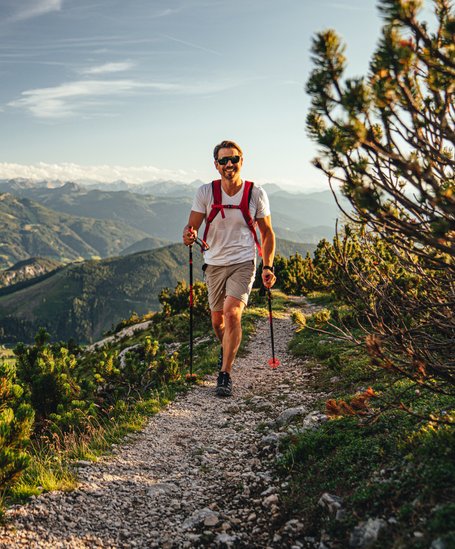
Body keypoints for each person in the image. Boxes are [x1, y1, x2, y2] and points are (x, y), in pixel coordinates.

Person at [183, 140, 276, 397]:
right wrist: (189, 235)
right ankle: (226, 347)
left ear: (241, 161)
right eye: (223, 161)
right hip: (213, 262)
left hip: (243, 261)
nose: (229, 165)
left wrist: (267, 265)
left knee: (232, 313)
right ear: (216, 165)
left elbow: (267, 234)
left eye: (233, 159)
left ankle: (225, 374)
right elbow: (192, 226)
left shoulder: (256, 193)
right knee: (217, 320)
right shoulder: (205, 193)